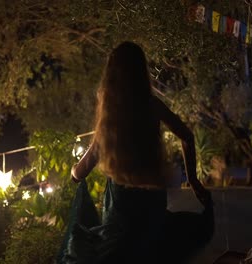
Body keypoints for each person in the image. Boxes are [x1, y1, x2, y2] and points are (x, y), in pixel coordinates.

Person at [57, 41, 213, 264]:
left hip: (122, 204)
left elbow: (88, 161)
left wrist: (74, 173)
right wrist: (194, 180)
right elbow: (187, 136)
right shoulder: (153, 105)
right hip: (153, 197)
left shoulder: (112, 114)